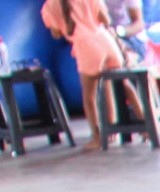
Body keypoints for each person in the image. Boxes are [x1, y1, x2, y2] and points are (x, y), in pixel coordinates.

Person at [42, 0, 127, 147]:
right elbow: (105, 19)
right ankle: (116, 128)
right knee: (114, 84)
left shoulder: (50, 6)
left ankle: (97, 137)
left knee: (89, 97)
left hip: (86, 46)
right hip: (106, 41)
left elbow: (56, 34)